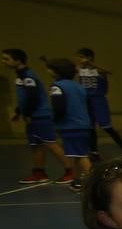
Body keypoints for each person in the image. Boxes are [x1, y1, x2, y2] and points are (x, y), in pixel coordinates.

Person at [4, 47, 72, 185]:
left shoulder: (28, 76)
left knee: (50, 143)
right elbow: (23, 97)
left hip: (40, 116)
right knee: (35, 145)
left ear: (18, 60)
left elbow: (32, 96)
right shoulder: (20, 76)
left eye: (7, 59)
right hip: (31, 116)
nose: (4, 62)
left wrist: (28, 113)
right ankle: (39, 173)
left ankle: (71, 171)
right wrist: (18, 112)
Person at [46, 57, 92, 190]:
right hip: (83, 124)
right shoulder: (78, 86)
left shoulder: (57, 87)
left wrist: (54, 120)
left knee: (81, 155)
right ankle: (78, 180)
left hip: (70, 125)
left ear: (56, 71)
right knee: (76, 155)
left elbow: (58, 107)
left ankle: (92, 182)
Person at [76, 48, 122, 158]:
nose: (79, 59)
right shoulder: (80, 69)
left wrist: (91, 64)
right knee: (90, 127)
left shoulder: (99, 70)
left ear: (89, 57)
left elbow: (109, 71)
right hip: (86, 100)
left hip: (98, 100)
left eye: (81, 57)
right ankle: (94, 151)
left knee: (106, 126)